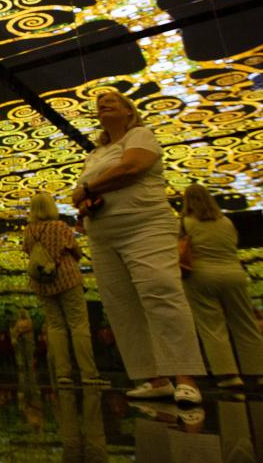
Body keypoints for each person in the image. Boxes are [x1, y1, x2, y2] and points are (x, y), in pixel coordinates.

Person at [73, 88, 204, 404]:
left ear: (129, 111)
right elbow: (84, 192)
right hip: (102, 235)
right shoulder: (96, 153)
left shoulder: (140, 135)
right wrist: (86, 201)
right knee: (121, 305)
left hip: (144, 226)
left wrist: (87, 188)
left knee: (161, 291)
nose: (103, 104)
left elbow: (132, 168)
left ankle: (185, 376)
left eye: (111, 101)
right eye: (99, 104)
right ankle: (154, 378)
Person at [179, 183, 263, 388]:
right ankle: (258, 372)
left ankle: (228, 375)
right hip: (234, 274)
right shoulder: (226, 221)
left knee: (212, 327)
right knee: (245, 324)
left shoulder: (185, 222)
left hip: (201, 275)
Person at [22, 192, 107, 387]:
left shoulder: (29, 231)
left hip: (42, 282)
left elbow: (27, 251)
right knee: (78, 324)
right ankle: (89, 373)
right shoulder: (59, 226)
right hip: (67, 278)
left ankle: (62, 374)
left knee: (55, 326)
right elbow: (76, 251)